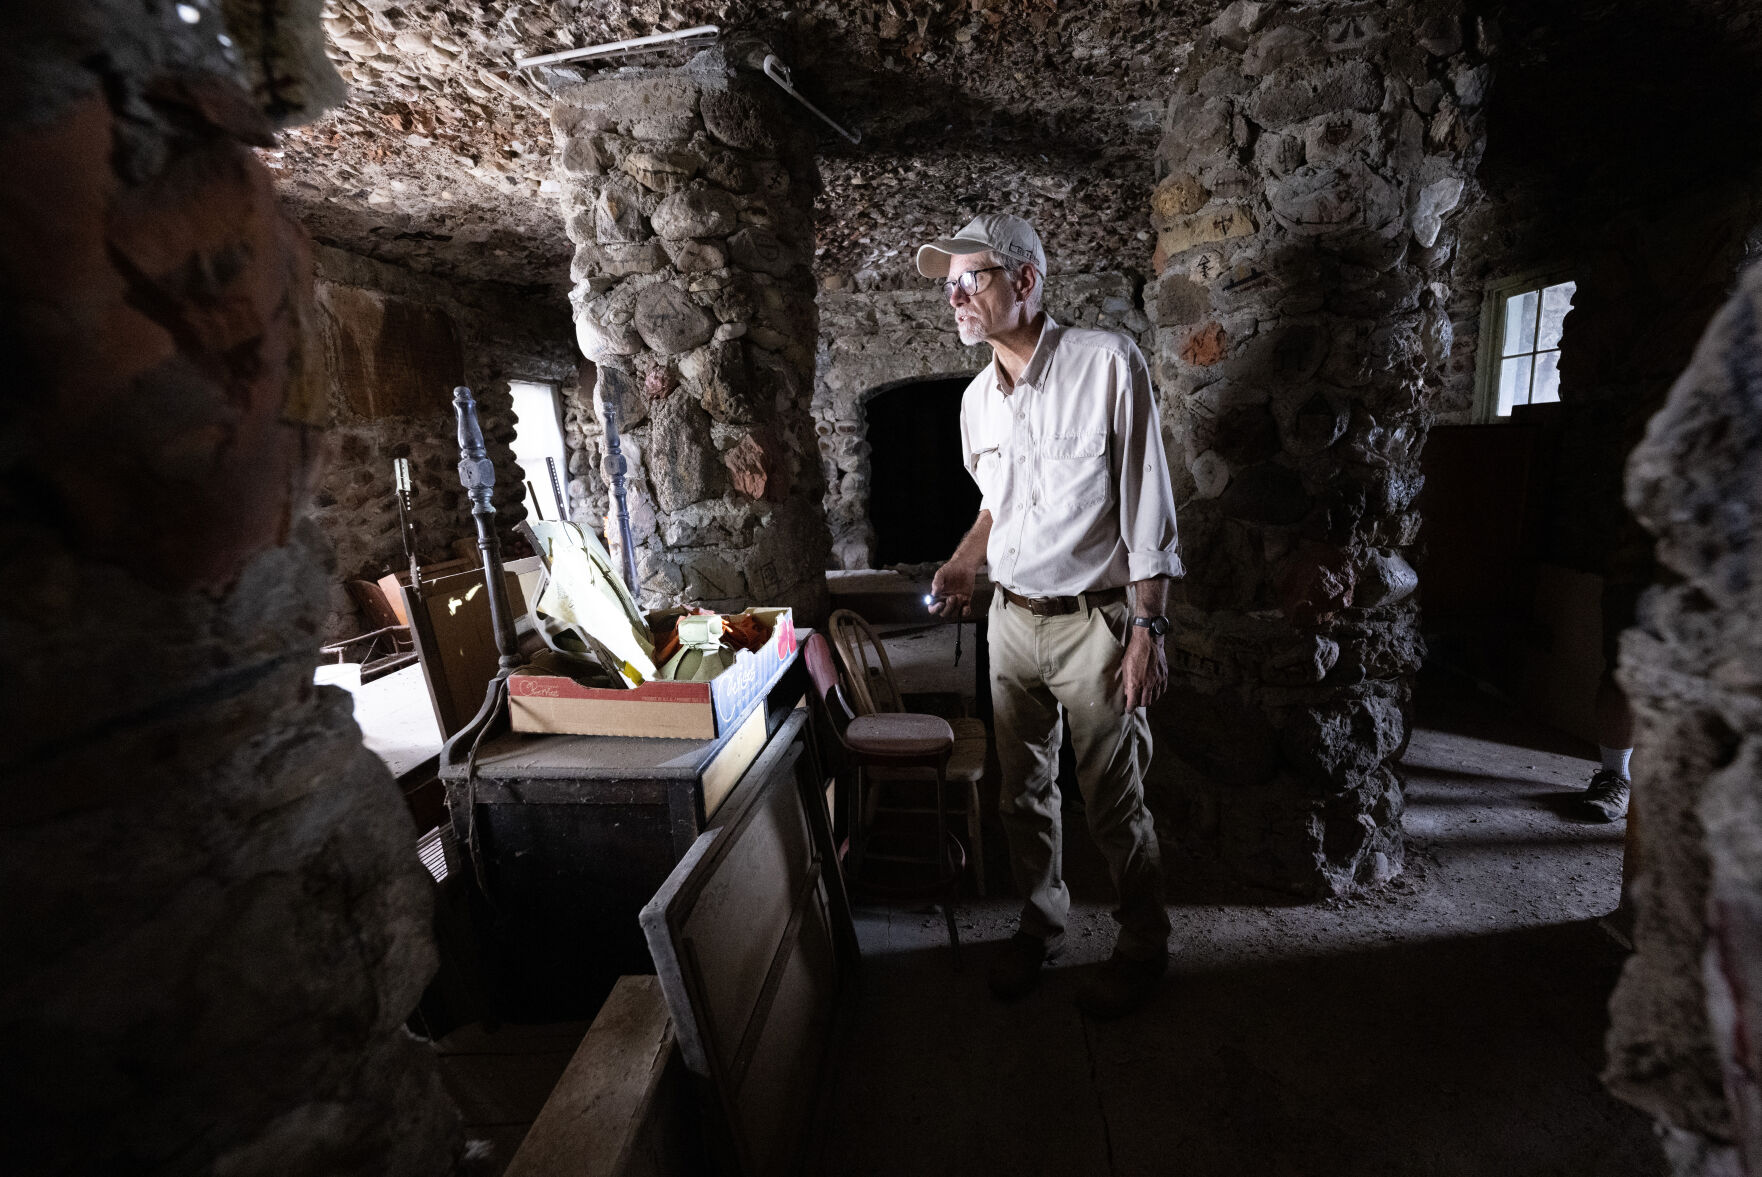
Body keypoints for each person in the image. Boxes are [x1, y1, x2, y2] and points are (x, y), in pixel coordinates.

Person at [919, 213, 1181, 1020]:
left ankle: (1143, 941)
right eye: (951, 284)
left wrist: (1148, 630)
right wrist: (968, 554)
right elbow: (999, 502)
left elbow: (1147, 508)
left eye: (975, 278)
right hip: (1011, 622)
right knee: (1022, 793)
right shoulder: (974, 402)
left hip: (1092, 623)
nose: (957, 295)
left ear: (1025, 281)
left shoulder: (1106, 364)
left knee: (1112, 796)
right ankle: (1042, 919)